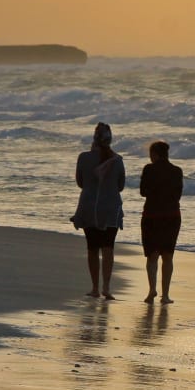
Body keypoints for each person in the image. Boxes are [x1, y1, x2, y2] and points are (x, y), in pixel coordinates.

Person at [72, 122, 125, 300]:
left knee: (92, 248)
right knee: (108, 247)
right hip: (110, 209)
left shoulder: (83, 158)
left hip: (88, 208)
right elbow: (121, 186)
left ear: (94, 138)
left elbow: (80, 183)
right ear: (110, 140)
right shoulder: (117, 160)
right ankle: (107, 288)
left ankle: (94, 287)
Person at [139, 140, 184, 304]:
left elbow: (143, 192)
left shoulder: (149, 169)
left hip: (151, 215)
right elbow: (178, 195)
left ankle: (152, 290)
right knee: (168, 256)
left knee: (152, 255)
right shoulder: (177, 171)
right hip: (172, 216)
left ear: (155, 154)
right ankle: (165, 295)